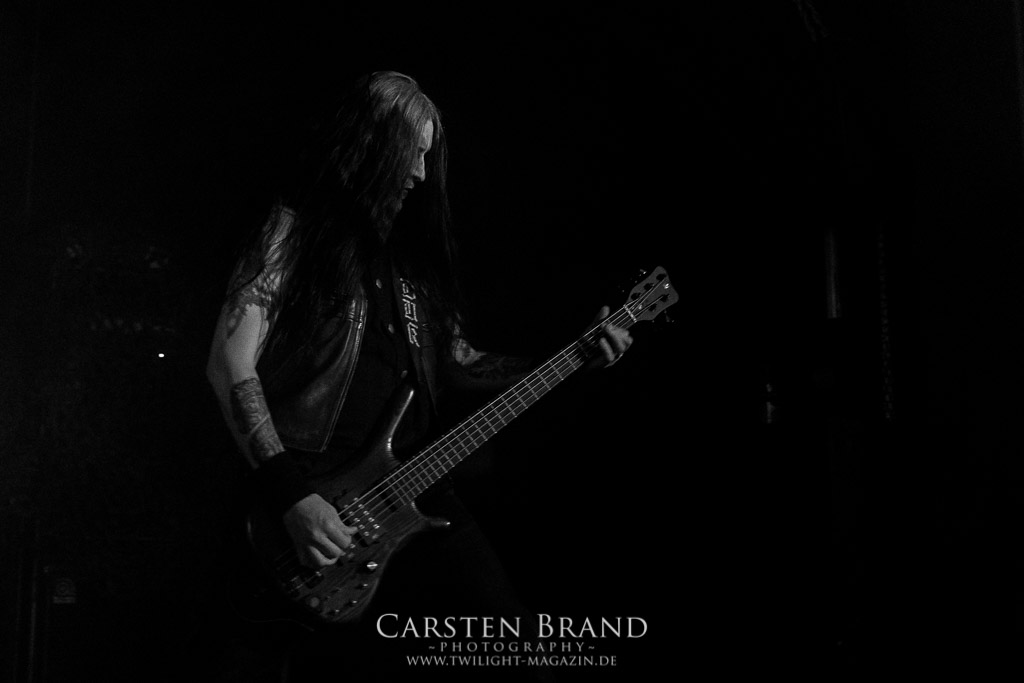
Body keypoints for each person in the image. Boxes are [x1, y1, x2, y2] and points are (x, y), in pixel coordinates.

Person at [205, 71, 632, 681]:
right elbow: (229, 363)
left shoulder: (415, 268)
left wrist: (574, 355)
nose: (421, 173)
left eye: (429, 157)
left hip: (416, 488)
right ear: (371, 143)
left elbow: (463, 362)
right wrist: (291, 496)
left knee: (517, 642)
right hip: (313, 495)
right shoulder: (291, 235)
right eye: (413, 152)